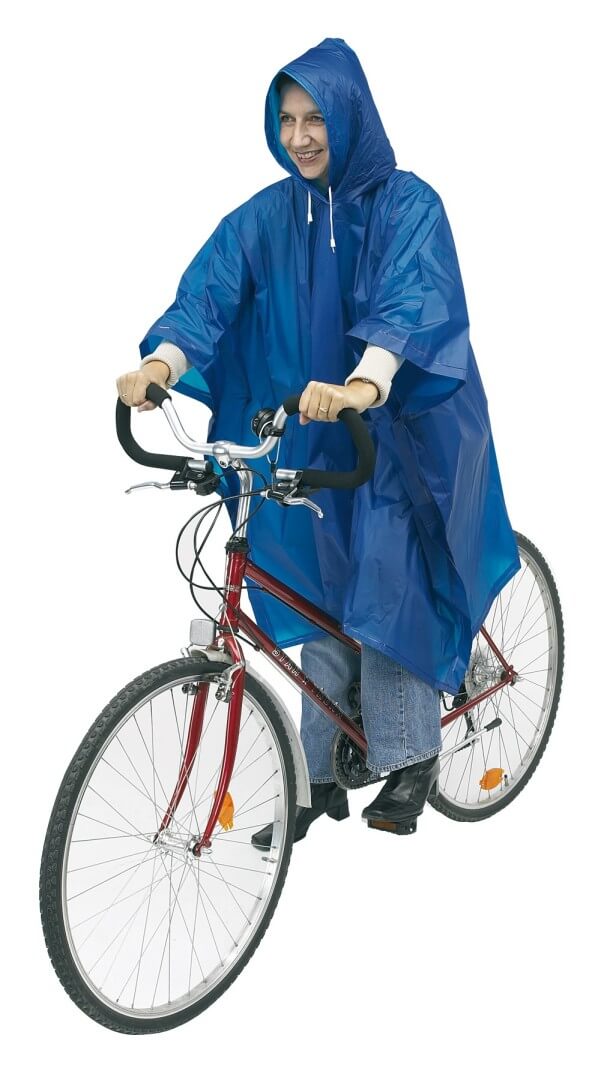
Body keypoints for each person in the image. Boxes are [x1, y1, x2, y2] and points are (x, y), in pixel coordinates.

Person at [116, 37, 520, 846]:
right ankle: (320, 770)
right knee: (313, 580)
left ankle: (410, 755)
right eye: (286, 120)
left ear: (349, 116)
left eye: (315, 119)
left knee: (387, 577)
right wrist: (162, 362)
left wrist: (365, 383)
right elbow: (210, 294)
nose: (299, 136)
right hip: (311, 436)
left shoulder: (406, 204)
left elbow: (411, 302)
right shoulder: (268, 217)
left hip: (403, 435)